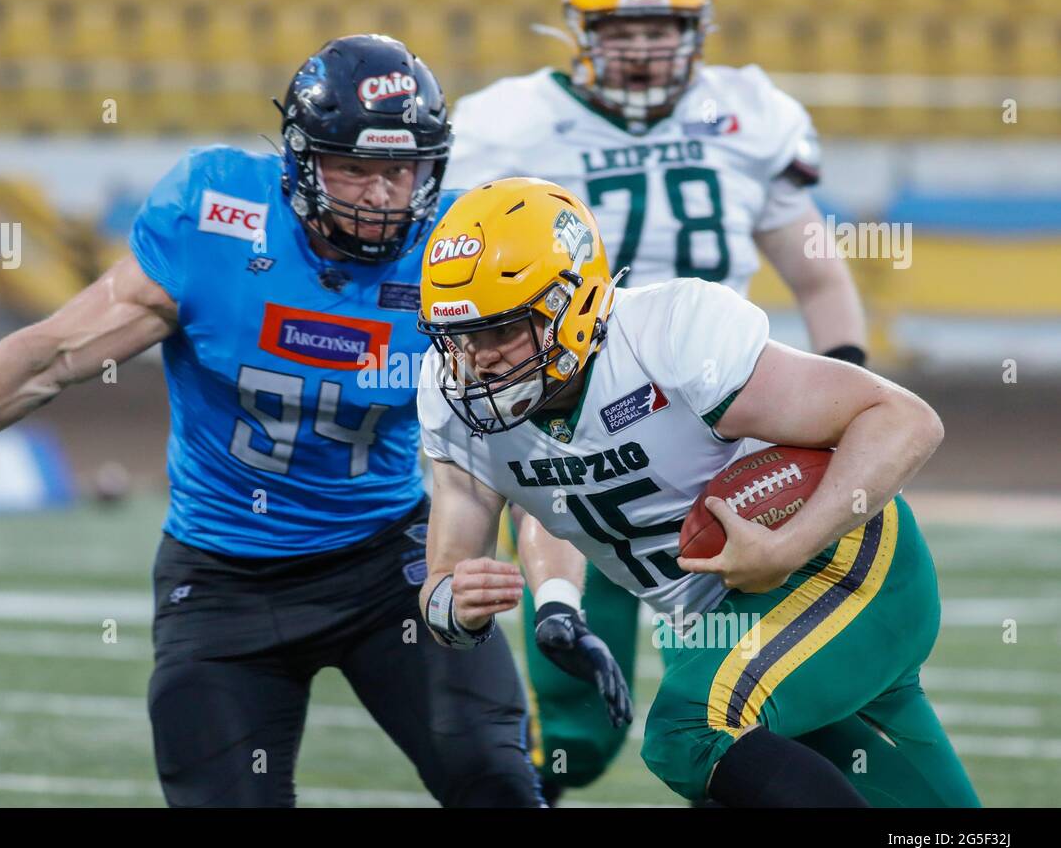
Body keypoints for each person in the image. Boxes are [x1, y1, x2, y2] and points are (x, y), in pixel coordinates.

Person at [0, 35, 542, 808]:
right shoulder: (216, 220)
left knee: (495, 781)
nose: (382, 195)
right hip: (224, 578)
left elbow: (528, 428)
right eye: (355, 168)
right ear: (301, 162)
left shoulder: (455, 252)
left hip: (390, 566)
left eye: (400, 170)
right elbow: (50, 355)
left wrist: (566, 600)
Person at [443, 0, 867, 799]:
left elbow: (818, 270)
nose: (639, 46)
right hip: (561, 408)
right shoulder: (511, 123)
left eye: (660, 26)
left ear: (697, 29)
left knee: (734, 697)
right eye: (618, 27)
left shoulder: (745, 116)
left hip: (712, 424)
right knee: (577, 729)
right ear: (580, 29)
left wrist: (847, 410)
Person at [414, 177, 979, 807]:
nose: (478, 359)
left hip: (839, 567)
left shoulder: (669, 337)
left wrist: (787, 546)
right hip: (717, 617)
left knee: (689, 732)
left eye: (502, 330)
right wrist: (462, 611)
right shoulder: (451, 401)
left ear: (569, 303)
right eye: (459, 336)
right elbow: (502, 537)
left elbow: (902, 418)